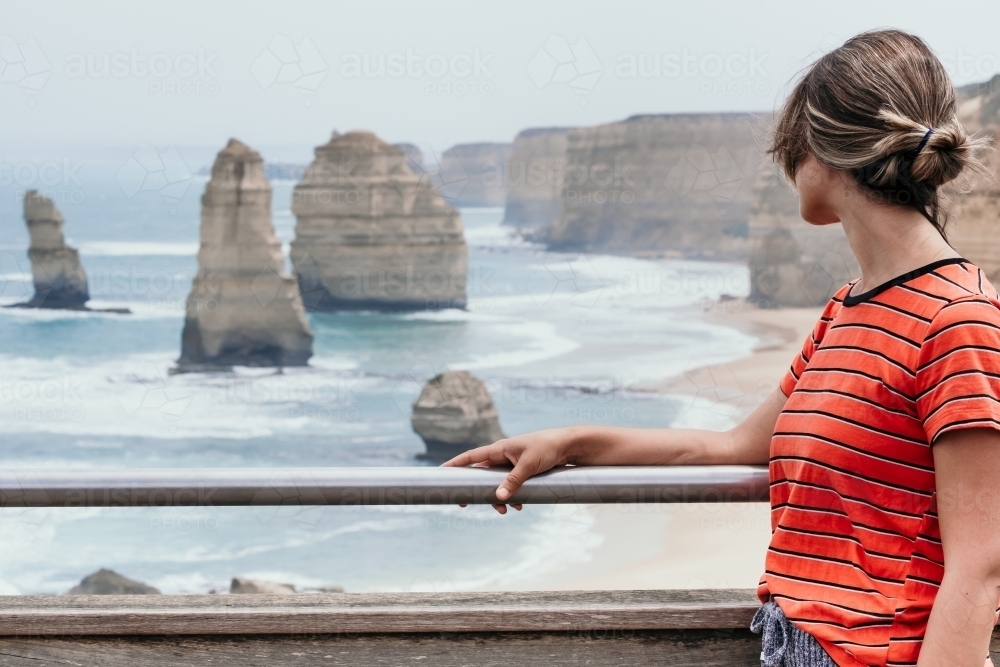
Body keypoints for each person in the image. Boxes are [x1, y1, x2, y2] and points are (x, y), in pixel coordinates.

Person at [444, 29, 1000, 667]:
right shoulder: (848, 310)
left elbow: (979, 568)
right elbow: (734, 447)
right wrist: (571, 444)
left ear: (824, 153)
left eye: (789, 147)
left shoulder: (958, 322)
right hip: (790, 644)